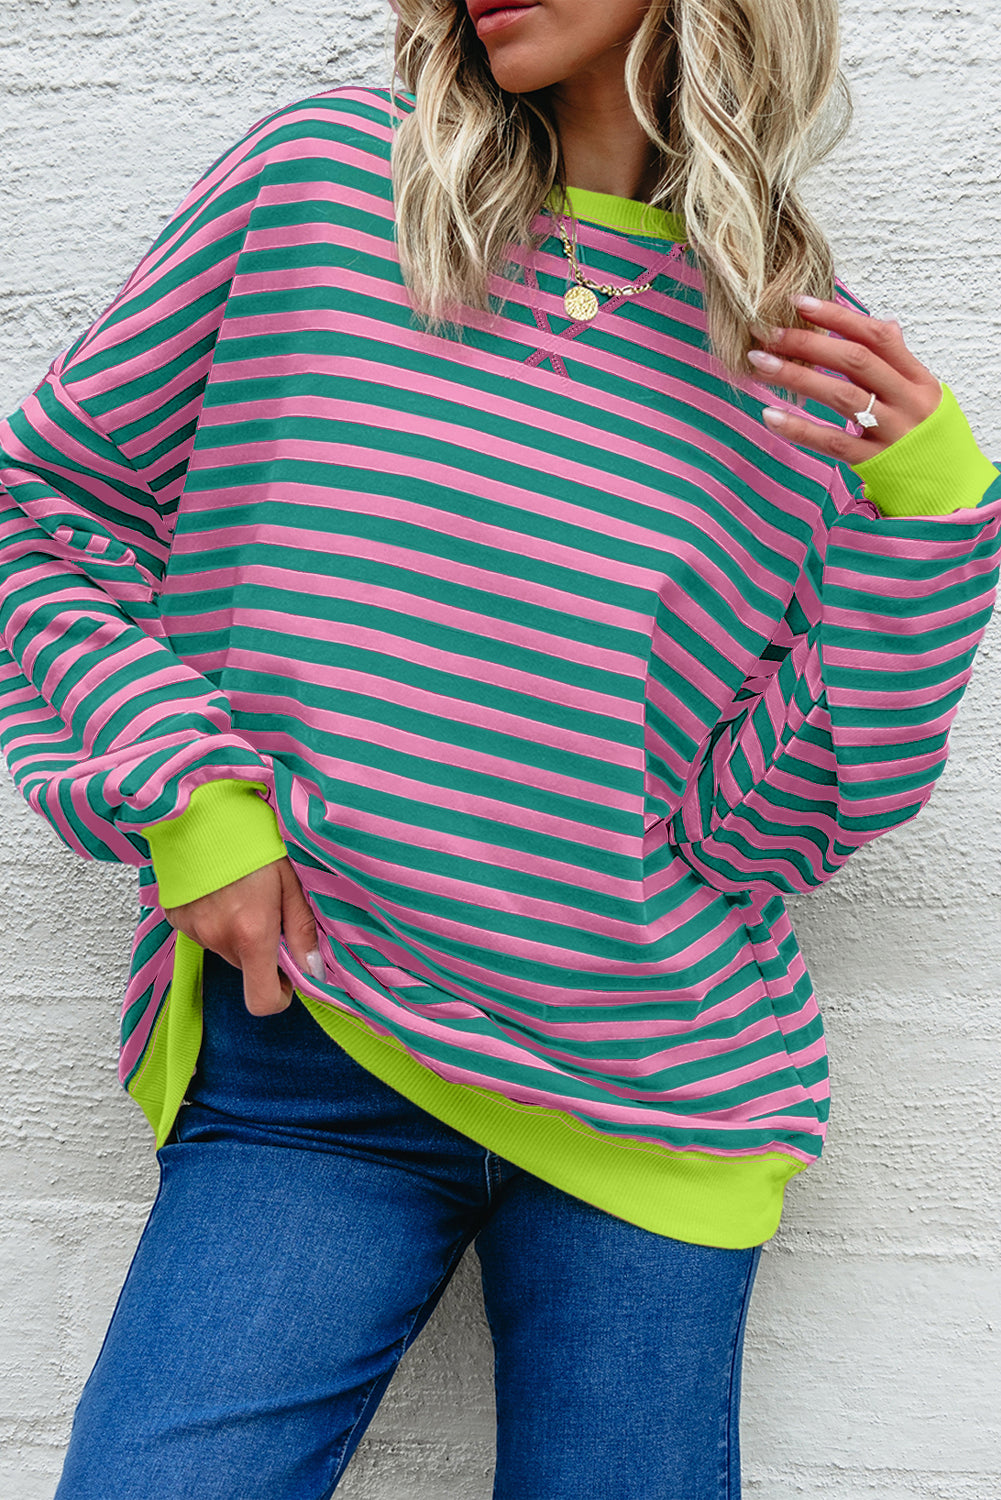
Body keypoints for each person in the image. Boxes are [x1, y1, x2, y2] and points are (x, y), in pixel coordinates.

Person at [1, 0, 998, 1495]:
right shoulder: (326, 185)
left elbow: (762, 832)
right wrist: (190, 797)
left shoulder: (796, 356)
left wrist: (927, 520)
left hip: (665, 1091)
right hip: (322, 1042)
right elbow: (43, 518)